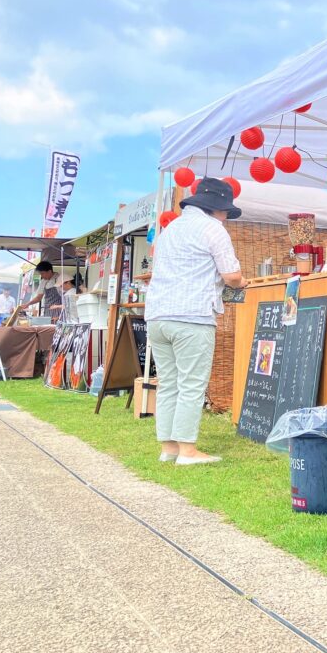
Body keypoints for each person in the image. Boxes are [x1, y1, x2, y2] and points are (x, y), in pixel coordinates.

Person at [145, 178, 247, 465]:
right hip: (192, 315)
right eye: (226, 210)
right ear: (217, 208)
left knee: (169, 383)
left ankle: (169, 447)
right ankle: (188, 450)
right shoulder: (213, 229)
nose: (226, 216)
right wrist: (242, 281)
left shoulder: (170, 228)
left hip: (158, 315)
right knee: (191, 383)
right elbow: (231, 276)